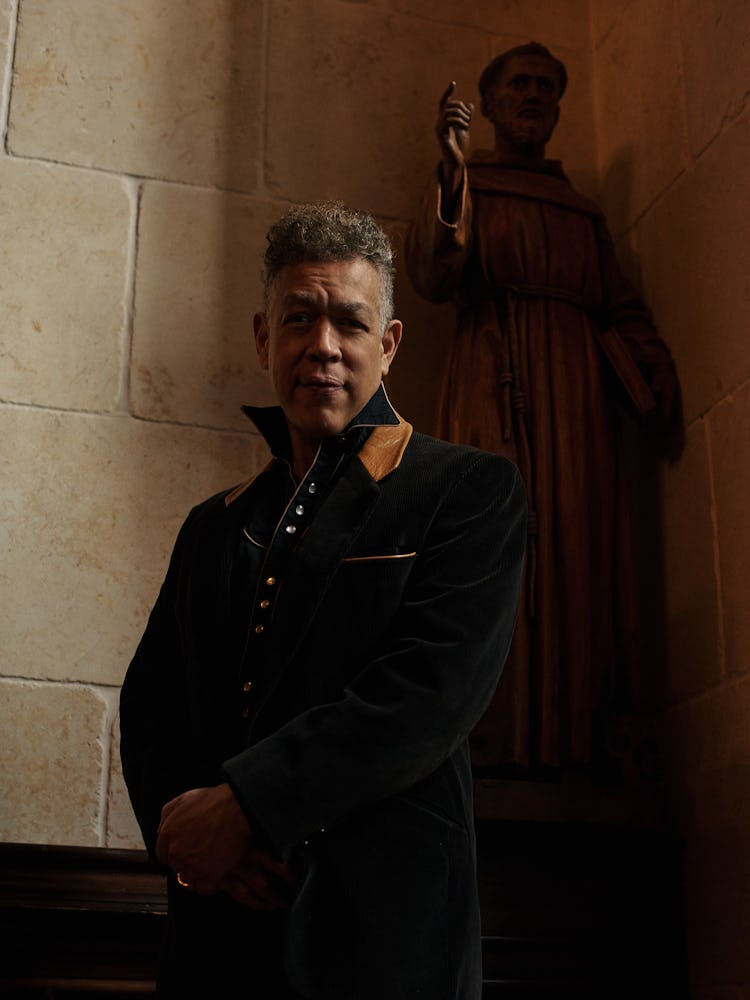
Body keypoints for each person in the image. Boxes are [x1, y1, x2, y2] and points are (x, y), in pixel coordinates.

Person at [120, 201, 527, 999]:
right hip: (216, 940)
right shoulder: (215, 525)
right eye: (299, 318)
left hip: (384, 942)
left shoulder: (468, 491)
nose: (324, 347)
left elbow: (423, 698)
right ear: (264, 338)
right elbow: (151, 707)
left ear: (390, 342)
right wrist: (199, 843)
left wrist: (245, 807)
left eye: (350, 320)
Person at [406, 42, 680, 774]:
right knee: (492, 542)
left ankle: (580, 743)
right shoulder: (472, 183)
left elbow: (621, 305)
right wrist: (453, 171)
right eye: (519, 86)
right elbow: (432, 275)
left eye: (547, 89)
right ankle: (491, 740)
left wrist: (649, 361)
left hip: (577, 401)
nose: (534, 97)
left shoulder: (579, 210)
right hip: (490, 376)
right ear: (491, 105)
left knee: (578, 550)